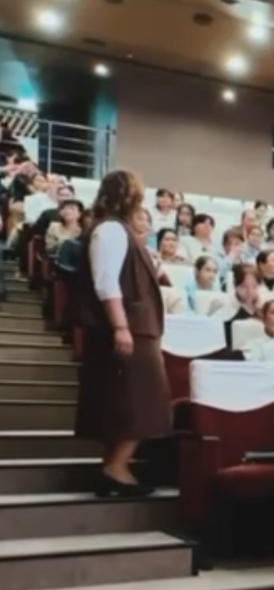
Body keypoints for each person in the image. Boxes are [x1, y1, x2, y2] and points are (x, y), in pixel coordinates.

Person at [73, 169, 171, 497]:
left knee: (127, 402)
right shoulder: (112, 229)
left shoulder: (120, 230)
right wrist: (120, 326)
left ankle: (113, 468)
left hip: (136, 328)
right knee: (141, 401)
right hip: (129, 328)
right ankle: (116, 467)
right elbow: (106, 282)